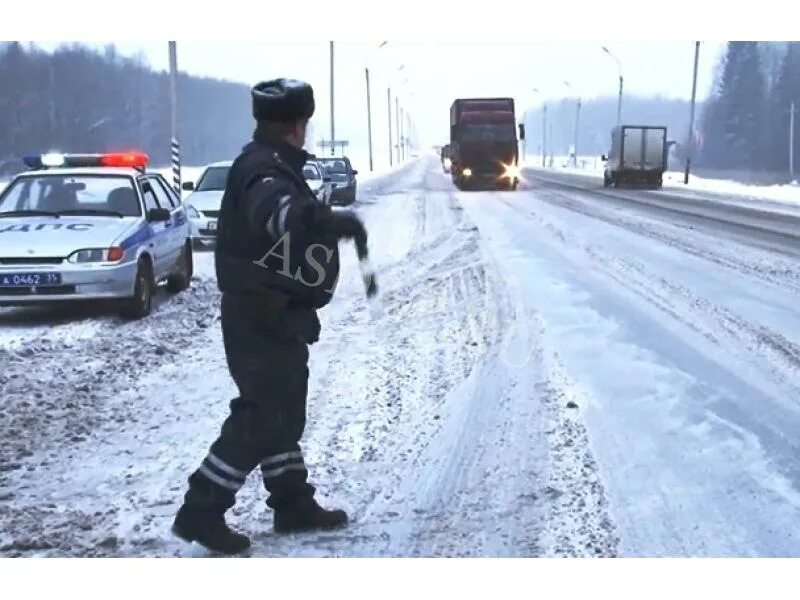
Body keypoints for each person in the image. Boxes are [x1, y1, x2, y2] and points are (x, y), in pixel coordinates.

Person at [172, 78, 361, 555]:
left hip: (275, 311)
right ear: (298, 125)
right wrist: (316, 219)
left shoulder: (271, 162)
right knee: (263, 414)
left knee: (283, 411)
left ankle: (292, 501)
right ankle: (202, 510)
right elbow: (275, 210)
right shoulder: (263, 169)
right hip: (257, 311)